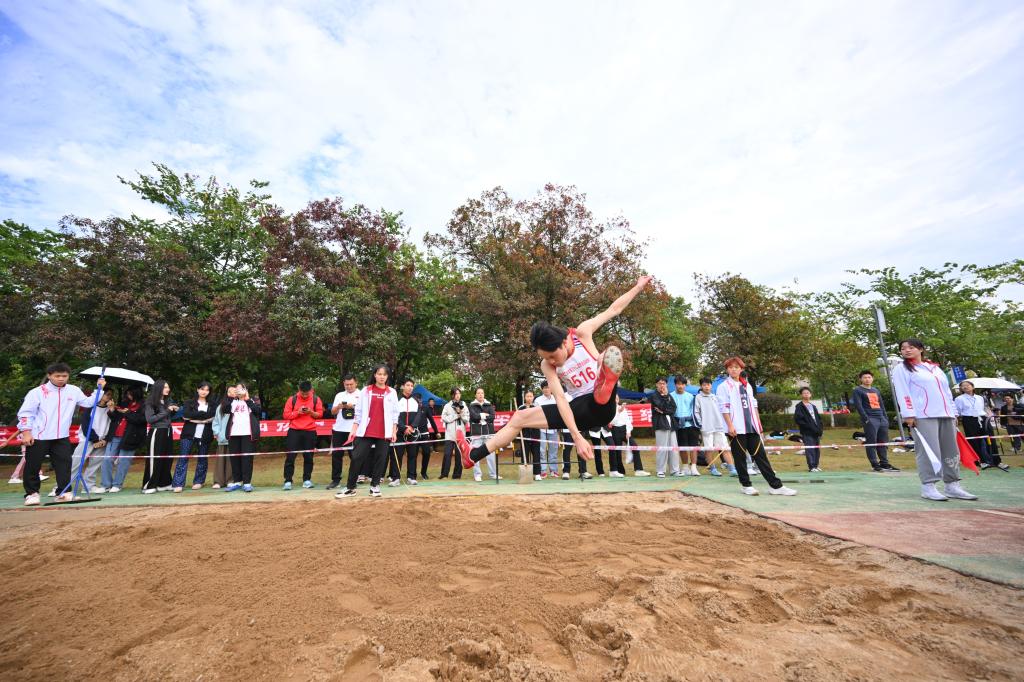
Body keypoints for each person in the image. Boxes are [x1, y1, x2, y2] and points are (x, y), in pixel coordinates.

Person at [457, 276, 652, 473]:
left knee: (605, 356)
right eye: (546, 358)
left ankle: (605, 383)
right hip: (579, 411)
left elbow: (614, 309)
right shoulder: (547, 365)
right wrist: (576, 436)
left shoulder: (582, 334)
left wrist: (638, 287)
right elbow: (560, 398)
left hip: (604, 407)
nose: (551, 361)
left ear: (564, 343)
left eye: (552, 356)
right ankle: (473, 456)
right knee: (519, 417)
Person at [891, 338, 977, 502]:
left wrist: (953, 412)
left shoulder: (934, 368)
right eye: (903, 348)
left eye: (911, 347)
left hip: (945, 414)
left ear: (921, 349)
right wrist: (909, 414)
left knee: (951, 450)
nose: (907, 350)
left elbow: (946, 392)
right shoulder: (901, 369)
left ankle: (952, 485)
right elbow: (902, 392)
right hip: (923, 415)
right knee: (929, 451)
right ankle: (928, 486)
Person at [16, 363, 107, 505]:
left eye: (64, 376)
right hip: (39, 436)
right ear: (49, 376)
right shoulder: (37, 392)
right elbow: (26, 413)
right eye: (57, 376)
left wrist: (99, 389)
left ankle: (63, 492)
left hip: (61, 436)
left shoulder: (73, 390)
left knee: (64, 465)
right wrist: (26, 432)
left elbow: (88, 403)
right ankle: (32, 494)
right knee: (33, 465)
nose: (61, 379)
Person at [716, 357, 796, 496]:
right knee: (740, 458)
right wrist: (730, 426)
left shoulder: (746, 385)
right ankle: (746, 485)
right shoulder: (723, 386)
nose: (733, 369)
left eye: (736, 367)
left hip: (751, 427)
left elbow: (753, 404)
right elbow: (724, 408)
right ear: (727, 369)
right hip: (736, 429)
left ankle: (776, 486)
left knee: (761, 456)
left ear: (741, 369)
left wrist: (758, 424)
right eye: (730, 367)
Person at [334, 364, 399, 498]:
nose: (381, 377)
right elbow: (358, 412)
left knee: (380, 460)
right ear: (375, 375)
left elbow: (395, 414)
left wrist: (393, 431)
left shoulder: (392, 392)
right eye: (379, 374)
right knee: (357, 457)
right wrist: (353, 429)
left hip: (384, 431)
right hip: (365, 430)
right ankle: (350, 488)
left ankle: (375, 487)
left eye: (384, 374)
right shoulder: (366, 390)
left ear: (387, 376)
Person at [65, 387, 115, 494]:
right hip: (87, 439)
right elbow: (86, 425)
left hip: (102, 441)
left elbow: (113, 424)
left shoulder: (110, 409)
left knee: (95, 464)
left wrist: (106, 439)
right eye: (107, 394)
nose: (109, 396)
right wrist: (95, 439)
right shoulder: (90, 407)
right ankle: (62, 487)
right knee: (76, 463)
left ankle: (89, 486)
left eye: (110, 395)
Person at [101, 387, 147, 493]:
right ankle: (106, 484)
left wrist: (128, 413)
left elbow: (142, 420)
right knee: (107, 459)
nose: (128, 396)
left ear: (136, 393)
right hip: (115, 434)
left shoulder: (144, 405)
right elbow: (114, 418)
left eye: (130, 394)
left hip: (131, 437)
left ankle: (117, 484)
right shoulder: (124, 403)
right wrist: (112, 409)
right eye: (127, 394)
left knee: (123, 461)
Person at [851, 370, 899, 472]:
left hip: (881, 419)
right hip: (870, 419)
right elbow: (859, 406)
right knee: (871, 442)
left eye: (869, 377)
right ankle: (875, 464)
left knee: (883, 442)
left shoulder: (875, 390)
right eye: (865, 377)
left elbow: (881, 405)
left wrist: (885, 418)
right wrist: (866, 419)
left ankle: (884, 463)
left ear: (872, 379)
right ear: (860, 379)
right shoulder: (858, 390)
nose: (867, 379)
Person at [955, 381, 1007, 472]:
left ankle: (997, 461)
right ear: (961, 389)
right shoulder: (959, 399)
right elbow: (958, 411)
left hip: (983, 418)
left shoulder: (980, 397)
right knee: (974, 441)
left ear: (973, 387)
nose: (965, 387)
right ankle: (981, 461)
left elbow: (982, 408)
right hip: (969, 420)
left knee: (990, 439)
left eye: (967, 385)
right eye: (963, 386)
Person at [173, 381, 215, 492]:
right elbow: (186, 415)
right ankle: (178, 484)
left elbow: (212, 416)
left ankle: (198, 482)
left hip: (205, 435)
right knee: (183, 458)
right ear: (197, 389)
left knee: (202, 459)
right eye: (202, 389)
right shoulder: (189, 402)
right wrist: (203, 417)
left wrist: (193, 418)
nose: (204, 392)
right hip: (188, 434)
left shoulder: (212, 404)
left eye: (207, 390)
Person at [281, 381, 324, 490]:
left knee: (309, 457)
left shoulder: (316, 399)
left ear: (311, 390)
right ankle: (288, 481)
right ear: (299, 390)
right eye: (302, 393)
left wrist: (311, 412)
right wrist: (297, 412)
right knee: (290, 457)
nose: (304, 395)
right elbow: (285, 415)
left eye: (307, 393)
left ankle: (307, 480)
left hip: (310, 431)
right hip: (294, 431)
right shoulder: (292, 399)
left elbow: (320, 415)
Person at [693, 378, 736, 477]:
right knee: (709, 449)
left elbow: (723, 411)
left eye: (708, 384)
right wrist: (701, 425)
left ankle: (732, 469)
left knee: (725, 448)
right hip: (706, 428)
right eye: (704, 385)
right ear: (701, 386)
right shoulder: (698, 397)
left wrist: (725, 424)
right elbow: (696, 412)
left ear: (711, 386)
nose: (706, 387)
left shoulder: (715, 397)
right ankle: (712, 469)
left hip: (719, 427)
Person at [222, 383, 260, 492]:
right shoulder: (232, 401)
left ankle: (247, 483)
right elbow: (224, 409)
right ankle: (237, 482)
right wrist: (232, 397)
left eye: (241, 388)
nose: (238, 391)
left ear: (246, 389)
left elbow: (258, 411)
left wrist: (247, 399)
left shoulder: (252, 400)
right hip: (234, 433)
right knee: (235, 458)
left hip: (248, 433)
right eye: (237, 389)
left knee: (247, 458)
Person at [143, 380, 178, 494]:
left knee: (167, 458)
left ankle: (164, 483)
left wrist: (174, 410)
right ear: (159, 388)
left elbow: (168, 416)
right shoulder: (150, 402)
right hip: (156, 432)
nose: (168, 389)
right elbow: (150, 419)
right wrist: (167, 411)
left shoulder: (167, 401)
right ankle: (149, 485)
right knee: (155, 458)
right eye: (165, 387)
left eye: (168, 387)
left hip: (168, 431)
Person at [327, 375, 360, 490]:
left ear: (356, 383)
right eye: (347, 384)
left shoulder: (361, 394)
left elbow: (366, 411)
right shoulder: (339, 395)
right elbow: (332, 412)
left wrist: (353, 406)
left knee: (355, 456)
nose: (349, 386)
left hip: (354, 430)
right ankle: (335, 480)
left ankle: (353, 480)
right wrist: (339, 407)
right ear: (343, 384)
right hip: (339, 429)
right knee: (336, 455)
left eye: (351, 384)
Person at [391, 379, 422, 486]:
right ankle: (395, 478)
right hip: (400, 432)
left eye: (412, 386)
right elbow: (395, 416)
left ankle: (411, 477)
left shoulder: (416, 400)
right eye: (408, 385)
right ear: (403, 386)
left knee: (412, 455)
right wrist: (403, 428)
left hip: (412, 433)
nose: (410, 387)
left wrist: (412, 427)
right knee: (397, 455)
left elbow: (418, 415)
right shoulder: (397, 400)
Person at [650, 378, 681, 478]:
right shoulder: (654, 395)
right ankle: (660, 470)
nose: (662, 385)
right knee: (662, 448)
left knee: (674, 448)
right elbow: (660, 406)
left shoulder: (669, 395)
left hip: (671, 424)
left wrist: (664, 411)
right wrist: (664, 403)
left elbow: (673, 408)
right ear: (656, 385)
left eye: (664, 383)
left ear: (666, 385)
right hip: (660, 424)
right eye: (660, 383)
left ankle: (674, 470)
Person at [610, 396, 649, 476]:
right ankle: (620, 471)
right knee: (617, 451)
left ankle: (638, 470)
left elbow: (628, 421)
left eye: (617, 398)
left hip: (625, 430)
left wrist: (628, 431)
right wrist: (618, 412)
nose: (616, 400)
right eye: (614, 398)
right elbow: (612, 422)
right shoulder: (610, 409)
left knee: (635, 447)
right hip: (615, 430)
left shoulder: (623, 408)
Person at [468, 388, 499, 481]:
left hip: (488, 432)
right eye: (478, 393)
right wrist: (484, 415)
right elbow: (474, 417)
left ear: (484, 394)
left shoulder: (489, 405)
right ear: (475, 395)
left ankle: (493, 474)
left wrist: (480, 416)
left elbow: (492, 417)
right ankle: (477, 474)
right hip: (476, 432)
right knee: (475, 453)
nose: (480, 395)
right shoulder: (472, 405)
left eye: (482, 393)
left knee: (491, 453)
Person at [672, 377, 701, 476]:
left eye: (682, 384)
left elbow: (695, 411)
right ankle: (685, 467)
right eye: (678, 384)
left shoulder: (691, 396)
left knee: (693, 447)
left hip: (691, 425)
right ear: (675, 385)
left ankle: (693, 467)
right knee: (682, 447)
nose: (680, 386)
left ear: (685, 385)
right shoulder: (671, 396)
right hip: (679, 426)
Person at [440, 388, 469, 479]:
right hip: (450, 434)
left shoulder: (464, 404)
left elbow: (467, 419)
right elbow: (443, 417)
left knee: (459, 455)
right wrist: (456, 415)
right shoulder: (447, 405)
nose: (458, 395)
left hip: (461, 434)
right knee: (447, 454)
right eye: (456, 393)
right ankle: (444, 474)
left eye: (459, 393)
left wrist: (461, 414)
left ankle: (457, 475)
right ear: (452, 395)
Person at [533, 381, 560, 478]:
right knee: (542, 450)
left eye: (548, 387)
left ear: (551, 388)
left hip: (554, 428)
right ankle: (543, 471)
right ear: (542, 389)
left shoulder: (556, 398)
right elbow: (535, 415)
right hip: (541, 428)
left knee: (553, 450)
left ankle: (554, 470)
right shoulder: (538, 400)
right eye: (544, 388)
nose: (546, 389)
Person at [794, 387, 824, 472]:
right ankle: (811, 467)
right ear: (801, 395)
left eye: (808, 393)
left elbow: (819, 419)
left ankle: (816, 465)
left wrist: (820, 430)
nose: (806, 394)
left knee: (816, 449)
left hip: (816, 432)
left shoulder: (813, 406)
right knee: (810, 449)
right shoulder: (799, 406)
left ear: (810, 394)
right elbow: (798, 420)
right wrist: (808, 427)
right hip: (807, 432)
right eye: (804, 393)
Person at [210, 387, 235, 489]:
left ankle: (230, 480)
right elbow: (216, 421)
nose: (232, 393)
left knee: (231, 461)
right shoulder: (220, 406)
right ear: (227, 393)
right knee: (220, 461)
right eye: (229, 391)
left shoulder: (238, 405)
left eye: (234, 391)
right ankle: (218, 482)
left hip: (234, 438)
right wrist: (217, 432)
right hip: (222, 438)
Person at [517, 390, 544, 480]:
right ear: (525, 397)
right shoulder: (521, 408)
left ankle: (537, 473)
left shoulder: (537, 407)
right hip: (524, 433)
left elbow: (539, 419)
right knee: (525, 453)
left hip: (535, 433)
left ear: (533, 397)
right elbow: (519, 419)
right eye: (527, 396)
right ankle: (525, 474)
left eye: (531, 396)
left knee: (536, 453)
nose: (529, 398)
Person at [416, 393, 440, 479]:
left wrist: (437, 432)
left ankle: (423, 472)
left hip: (425, 434)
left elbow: (432, 420)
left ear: (421, 400)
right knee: (413, 455)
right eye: (416, 399)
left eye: (419, 399)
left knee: (426, 453)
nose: (418, 401)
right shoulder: (412, 409)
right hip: (414, 435)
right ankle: (412, 474)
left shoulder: (425, 408)